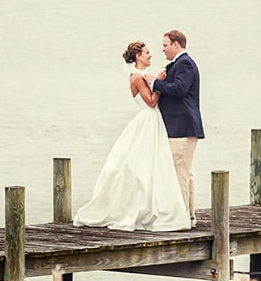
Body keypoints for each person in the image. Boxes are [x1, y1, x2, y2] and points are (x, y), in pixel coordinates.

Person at [73, 41, 190, 231]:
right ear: (138, 57)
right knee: (140, 166)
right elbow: (151, 102)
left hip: (154, 122)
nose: (150, 55)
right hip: (148, 120)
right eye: (147, 52)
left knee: (155, 165)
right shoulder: (136, 77)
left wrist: (157, 81)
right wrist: (158, 82)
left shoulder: (143, 76)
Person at [148, 29, 204, 229]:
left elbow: (180, 88)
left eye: (165, 45)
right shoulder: (179, 63)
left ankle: (181, 219)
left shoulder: (185, 63)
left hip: (182, 127)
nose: (162, 49)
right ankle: (188, 217)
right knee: (184, 173)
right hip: (180, 127)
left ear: (176, 44)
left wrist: (155, 83)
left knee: (179, 173)